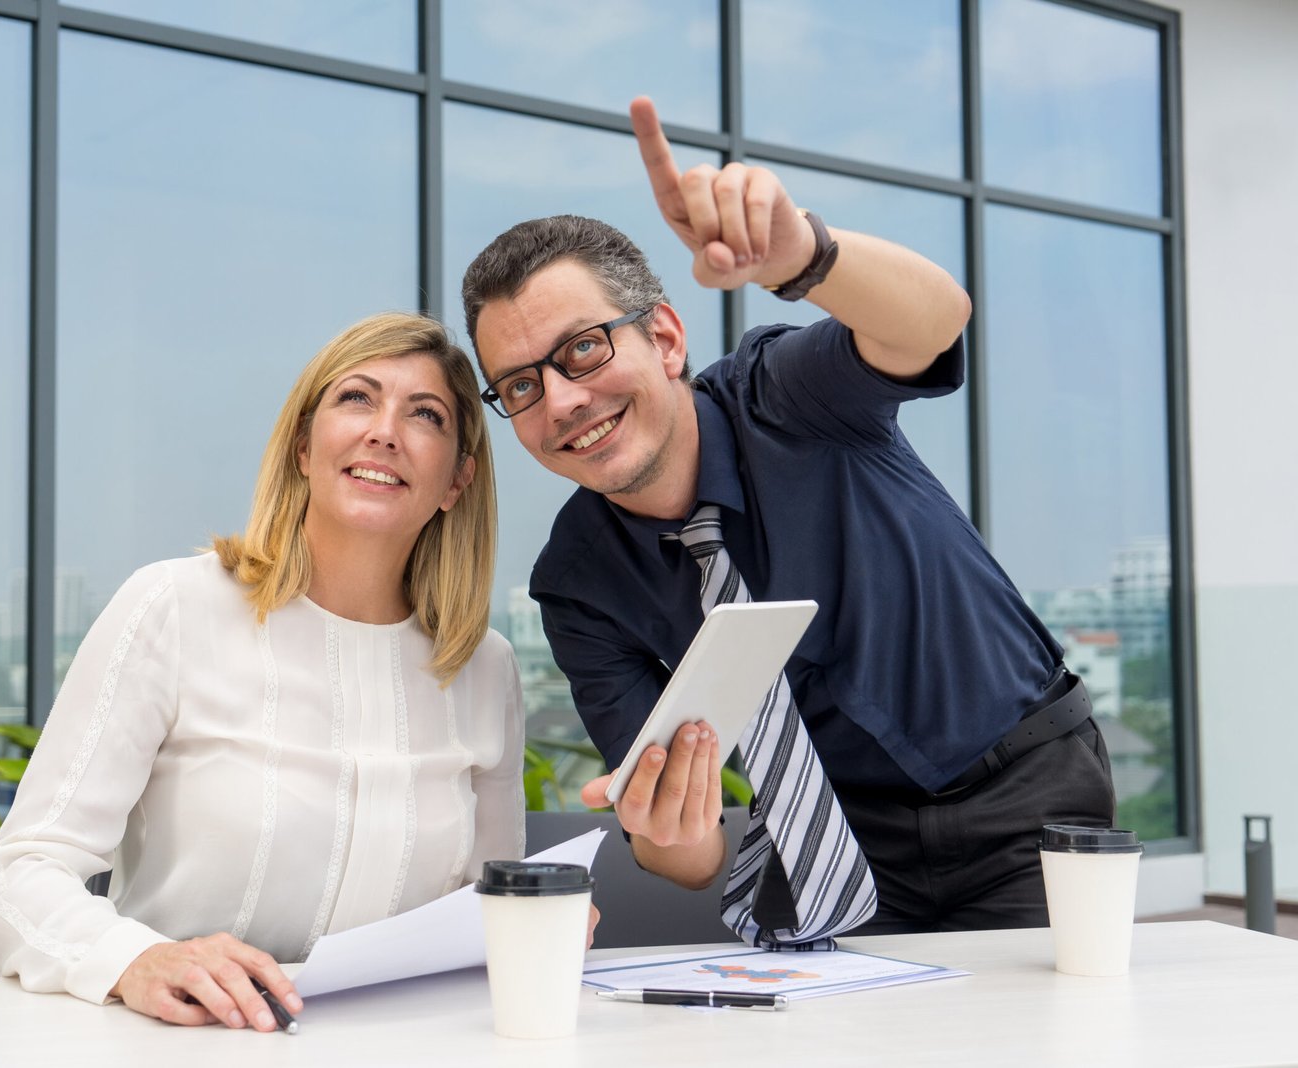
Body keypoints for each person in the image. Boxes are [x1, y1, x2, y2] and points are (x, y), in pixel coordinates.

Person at [460, 98, 1115, 935]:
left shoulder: (783, 394)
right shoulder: (577, 584)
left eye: (583, 348)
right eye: (520, 385)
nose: (561, 400)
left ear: (664, 338)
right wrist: (670, 827)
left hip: (1024, 794)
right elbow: (682, 862)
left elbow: (935, 320)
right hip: (837, 841)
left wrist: (804, 254)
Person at [0, 312, 536, 1031]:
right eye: (357, 398)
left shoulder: (483, 667)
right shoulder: (172, 609)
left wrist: (530, 922)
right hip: (186, 1042)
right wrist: (135, 960)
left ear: (457, 480)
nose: (384, 431)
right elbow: (17, 878)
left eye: (424, 415)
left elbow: (484, 914)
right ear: (304, 446)